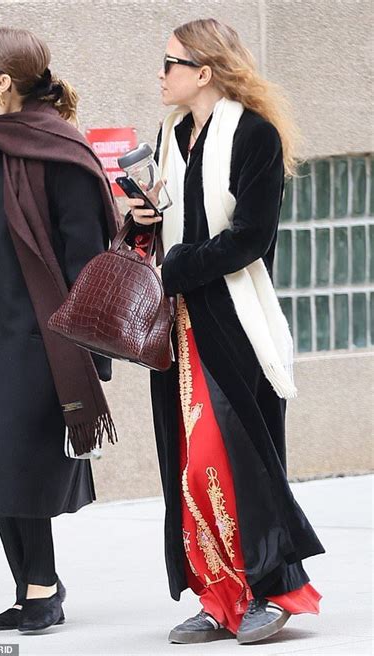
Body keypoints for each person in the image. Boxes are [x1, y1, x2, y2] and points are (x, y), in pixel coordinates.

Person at [124, 18, 325, 645]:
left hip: (234, 321)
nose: (160, 74)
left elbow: (251, 239)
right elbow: (166, 231)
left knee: (240, 456)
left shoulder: (254, 137)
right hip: (178, 324)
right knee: (189, 464)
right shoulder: (173, 134)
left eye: (170, 63)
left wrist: (177, 264)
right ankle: (218, 596)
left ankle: (276, 589)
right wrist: (142, 220)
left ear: (204, 71)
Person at [0, 26, 119, 634]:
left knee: (18, 460)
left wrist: (84, 350)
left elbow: (86, 258)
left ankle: (42, 588)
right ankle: (31, 585)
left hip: (37, 339)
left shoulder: (57, 150)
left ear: (3, 81)